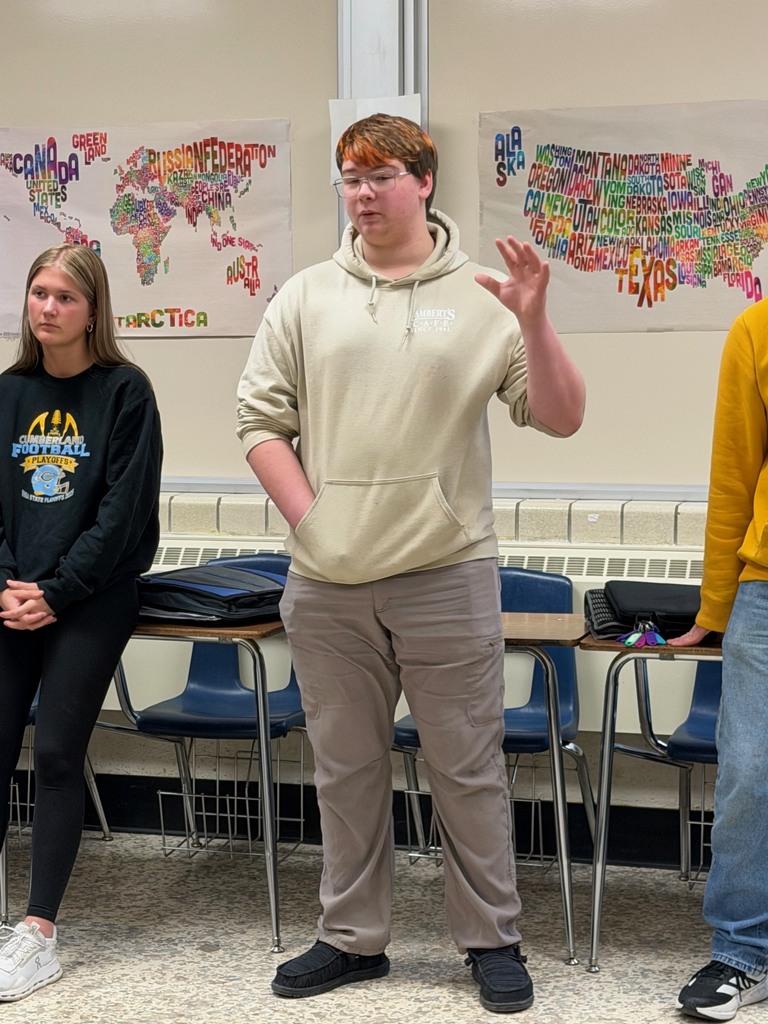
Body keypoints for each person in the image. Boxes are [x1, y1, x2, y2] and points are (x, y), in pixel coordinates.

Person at [236, 113, 585, 1014]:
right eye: (348, 176)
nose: (362, 191)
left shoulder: (483, 294)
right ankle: (352, 940)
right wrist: (316, 521)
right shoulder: (305, 295)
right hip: (326, 580)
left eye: (381, 174)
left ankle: (491, 940)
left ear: (424, 180)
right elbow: (260, 424)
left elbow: (560, 415)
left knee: (463, 767)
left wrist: (536, 320)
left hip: (447, 569)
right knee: (346, 769)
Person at [0, 243, 163, 1002]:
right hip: (10, 599)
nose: (49, 308)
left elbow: (120, 515)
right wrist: (8, 584)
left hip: (90, 600)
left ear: (93, 310)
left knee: (60, 753)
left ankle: (37, 934)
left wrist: (56, 591)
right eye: (39, 293)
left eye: (66, 296)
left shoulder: (124, 391)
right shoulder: (9, 392)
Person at [669, 298, 768, 1021]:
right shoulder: (756, 328)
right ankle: (741, 951)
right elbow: (733, 471)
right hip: (766, 591)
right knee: (750, 773)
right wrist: (714, 607)